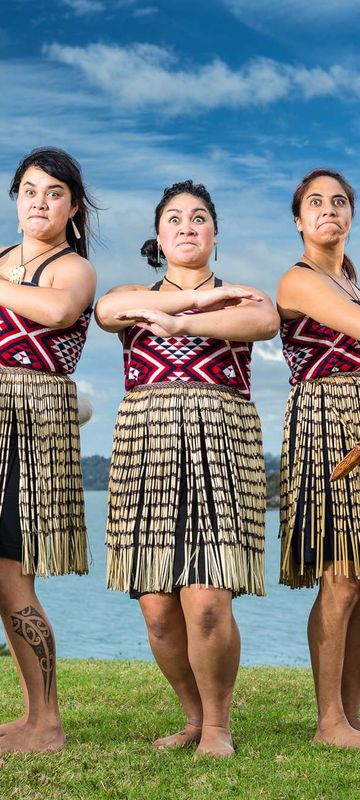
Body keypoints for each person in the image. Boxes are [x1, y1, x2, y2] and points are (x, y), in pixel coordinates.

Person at [96, 180, 279, 757]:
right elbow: (107, 311)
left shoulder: (247, 298)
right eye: (173, 219)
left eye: (199, 218)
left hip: (220, 445)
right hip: (144, 449)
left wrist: (182, 323)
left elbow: (265, 324)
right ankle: (194, 718)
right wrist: (190, 303)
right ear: (157, 236)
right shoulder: (130, 293)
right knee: (156, 609)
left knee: (205, 600)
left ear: (215, 235)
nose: (186, 227)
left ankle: (220, 728)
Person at [0, 147, 97, 752]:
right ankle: (33, 715)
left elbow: (57, 309)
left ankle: (48, 722)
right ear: (15, 201)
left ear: (73, 207)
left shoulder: (75, 268)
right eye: (30, 190)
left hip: (28, 430)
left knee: (12, 576)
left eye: (53, 193)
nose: (40, 201)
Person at [278, 168, 360, 748]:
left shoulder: (354, 280)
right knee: (342, 576)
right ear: (299, 219)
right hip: (327, 422)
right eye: (316, 202)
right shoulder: (298, 280)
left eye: (340, 201)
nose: (328, 209)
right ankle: (329, 720)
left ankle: (352, 716)